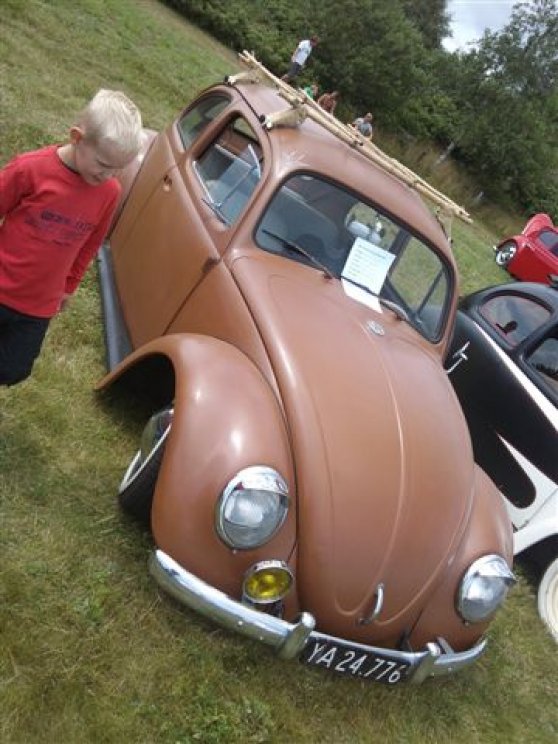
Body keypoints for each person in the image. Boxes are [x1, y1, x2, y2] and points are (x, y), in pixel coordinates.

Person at [0, 89, 143, 386]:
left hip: (38, 304)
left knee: (14, 369)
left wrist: (69, 286)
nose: (108, 175)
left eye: (117, 169)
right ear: (77, 137)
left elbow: (91, 243)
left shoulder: (109, 193)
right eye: (103, 164)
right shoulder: (31, 169)